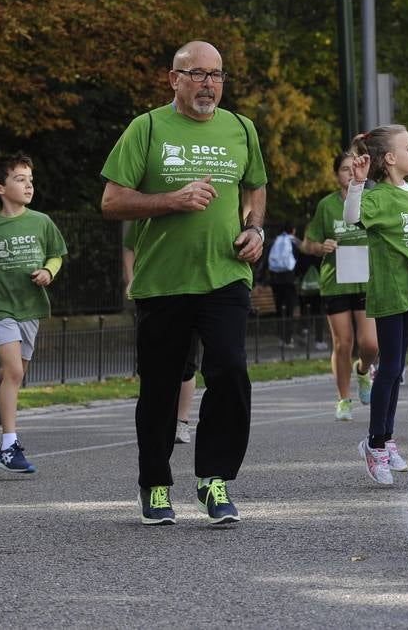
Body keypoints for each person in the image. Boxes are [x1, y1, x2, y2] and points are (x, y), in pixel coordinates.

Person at [100, 40, 267, 525]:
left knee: (231, 372)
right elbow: (111, 202)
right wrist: (172, 200)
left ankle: (214, 480)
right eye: (196, 74)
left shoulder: (241, 128)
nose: (207, 84)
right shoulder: (147, 127)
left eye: (215, 76)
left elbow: (255, 185)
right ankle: (155, 485)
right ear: (173, 79)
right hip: (164, 281)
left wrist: (254, 227)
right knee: (160, 387)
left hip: (225, 275)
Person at [0, 152, 68, 473]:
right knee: (15, 372)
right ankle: (8, 446)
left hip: (31, 307)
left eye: (30, 180)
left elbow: (56, 255)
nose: (28, 186)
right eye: (20, 179)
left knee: (14, 374)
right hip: (0, 307)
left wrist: (49, 272)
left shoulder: (42, 221)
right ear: (0, 188)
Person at [344, 124, 408, 485]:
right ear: (390, 158)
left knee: (397, 370)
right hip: (391, 291)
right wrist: (357, 184)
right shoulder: (376, 196)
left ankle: (387, 438)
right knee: (390, 367)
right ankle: (375, 444)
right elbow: (351, 219)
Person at [301, 148, 379, 422]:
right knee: (342, 343)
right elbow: (307, 243)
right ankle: (343, 399)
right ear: (336, 176)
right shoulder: (326, 205)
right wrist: (321, 246)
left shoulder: (371, 201)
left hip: (367, 280)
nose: (349, 173)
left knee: (370, 344)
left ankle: (364, 370)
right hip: (336, 281)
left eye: (353, 168)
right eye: (344, 169)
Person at [122, 222, 199, 442]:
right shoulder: (148, 214)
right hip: (155, 292)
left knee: (187, 364)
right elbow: (129, 247)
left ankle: (181, 422)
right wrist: (131, 280)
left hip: (192, 290)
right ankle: (158, 424)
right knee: (154, 365)